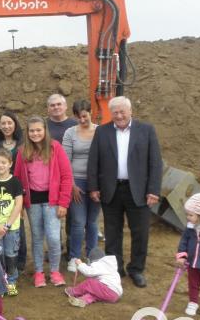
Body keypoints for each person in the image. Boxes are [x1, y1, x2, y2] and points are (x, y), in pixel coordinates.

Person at [87, 96, 163, 288]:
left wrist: (153, 190)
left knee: (140, 232)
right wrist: (94, 187)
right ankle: (116, 268)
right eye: (115, 112)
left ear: (130, 111)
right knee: (112, 232)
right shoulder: (102, 132)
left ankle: (136, 269)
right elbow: (93, 161)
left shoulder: (146, 130)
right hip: (110, 190)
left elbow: (155, 163)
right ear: (110, 114)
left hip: (138, 190)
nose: (119, 115)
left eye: (122, 111)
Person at [13, 116, 73, 288]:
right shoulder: (23, 151)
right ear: (27, 132)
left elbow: (66, 176)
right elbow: (17, 179)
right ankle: (39, 272)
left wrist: (63, 203)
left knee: (54, 237)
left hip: (52, 201)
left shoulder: (55, 148)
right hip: (33, 202)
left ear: (45, 130)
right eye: (32, 130)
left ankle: (54, 271)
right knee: (37, 237)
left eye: (39, 130)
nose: (35, 133)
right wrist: (21, 204)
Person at [0, 111, 28, 273]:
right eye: (3, 123)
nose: (6, 126)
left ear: (15, 124)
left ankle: (19, 260)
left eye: (9, 123)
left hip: (16, 186)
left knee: (18, 222)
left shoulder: (22, 141)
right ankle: (2, 264)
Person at [62, 99, 101, 272]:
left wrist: (99, 185)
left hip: (96, 182)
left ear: (90, 112)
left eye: (84, 116)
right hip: (76, 181)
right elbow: (65, 160)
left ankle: (92, 257)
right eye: (79, 117)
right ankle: (74, 257)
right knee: (78, 221)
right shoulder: (70, 133)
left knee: (92, 222)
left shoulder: (101, 132)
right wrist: (71, 185)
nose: (82, 120)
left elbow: (105, 158)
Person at [0, 148, 24, 296]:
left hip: (12, 227)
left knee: (11, 254)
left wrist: (7, 224)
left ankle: (12, 281)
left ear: (10, 164)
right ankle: (1, 281)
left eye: (3, 162)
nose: (0, 165)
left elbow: (18, 204)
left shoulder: (15, 182)